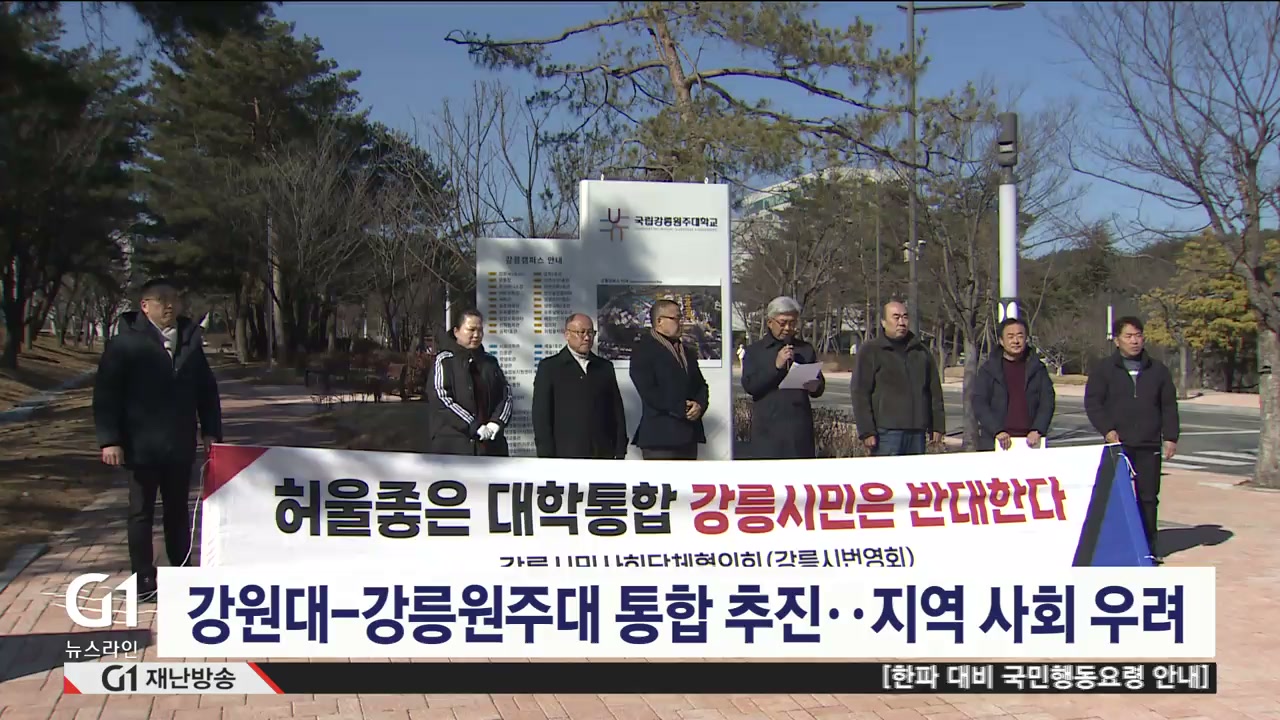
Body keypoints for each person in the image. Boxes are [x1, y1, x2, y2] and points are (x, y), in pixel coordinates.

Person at [92, 278, 222, 600]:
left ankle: (180, 575)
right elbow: (107, 394)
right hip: (140, 445)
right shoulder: (125, 343)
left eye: (174, 299)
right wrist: (110, 440)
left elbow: (206, 390)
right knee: (141, 512)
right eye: (161, 300)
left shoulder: (190, 341)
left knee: (178, 511)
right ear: (145, 306)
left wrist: (210, 430)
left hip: (179, 443)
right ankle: (143, 580)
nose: (169, 306)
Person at [1085, 315, 1180, 564]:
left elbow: (1169, 406)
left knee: (1148, 499)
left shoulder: (1158, 370)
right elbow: (1093, 403)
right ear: (1117, 340)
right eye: (1128, 336)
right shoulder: (1104, 370)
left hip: (1149, 444)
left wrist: (1170, 437)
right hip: (1119, 444)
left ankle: (1149, 548)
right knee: (1117, 498)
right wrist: (1107, 430)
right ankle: (1118, 547)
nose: (1134, 341)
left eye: (1138, 335)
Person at [850, 300, 945, 456]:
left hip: (917, 432)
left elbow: (934, 391)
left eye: (905, 317)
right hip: (886, 433)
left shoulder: (921, 351)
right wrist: (867, 431)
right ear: (883, 322)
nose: (901, 322)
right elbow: (860, 392)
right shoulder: (871, 351)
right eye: (896, 317)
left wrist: (937, 425)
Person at [532, 313, 628, 459]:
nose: (587, 337)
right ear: (567, 334)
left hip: (602, 453)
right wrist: (546, 455)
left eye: (591, 332)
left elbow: (616, 410)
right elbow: (541, 416)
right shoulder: (550, 367)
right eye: (581, 332)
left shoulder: (604, 367)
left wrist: (620, 449)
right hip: (565, 454)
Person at [741, 296, 825, 459]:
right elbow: (750, 386)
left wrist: (816, 386)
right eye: (782, 323)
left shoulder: (805, 349)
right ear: (770, 322)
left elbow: (819, 385)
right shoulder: (755, 351)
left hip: (799, 428)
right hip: (768, 429)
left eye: (792, 323)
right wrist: (776, 366)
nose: (787, 328)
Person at [629, 298, 709, 460]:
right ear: (659, 321)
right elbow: (649, 391)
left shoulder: (686, 351)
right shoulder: (643, 350)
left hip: (689, 435)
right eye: (676, 318)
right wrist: (681, 407)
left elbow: (700, 385)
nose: (681, 323)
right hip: (660, 438)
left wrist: (699, 405)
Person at [427, 309, 513, 457]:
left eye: (480, 330)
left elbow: (506, 395)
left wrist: (496, 422)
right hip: (454, 446)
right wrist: (473, 425)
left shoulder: (490, 362)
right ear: (456, 331)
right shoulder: (445, 361)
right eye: (471, 330)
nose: (476, 335)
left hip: (490, 447)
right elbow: (441, 398)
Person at [973, 317, 1056, 451]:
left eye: (1020, 336)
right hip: (996, 440)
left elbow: (1047, 401)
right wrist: (997, 430)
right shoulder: (989, 369)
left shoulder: (1038, 368)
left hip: (1031, 441)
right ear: (1001, 341)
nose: (1016, 341)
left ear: (1026, 339)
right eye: (1010, 337)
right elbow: (979, 403)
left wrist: (1038, 429)